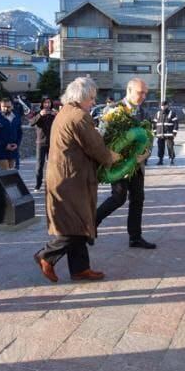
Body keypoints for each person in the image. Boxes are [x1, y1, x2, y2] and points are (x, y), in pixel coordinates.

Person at [34, 77, 122, 283]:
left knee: (79, 222)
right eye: (91, 98)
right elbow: (96, 147)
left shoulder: (65, 112)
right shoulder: (79, 116)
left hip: (66, 176)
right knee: (75, 224)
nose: (93, 102)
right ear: (82, 97)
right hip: (71, 179)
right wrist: (116, 158)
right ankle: (46, 255)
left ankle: (80, 268)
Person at [95, 78, 156, 249]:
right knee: (118, 197)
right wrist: (109, 155)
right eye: (140, 92)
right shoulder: (113, 110)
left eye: (145, 93)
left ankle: (135, 237)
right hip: (118, 164)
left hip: (137, 165)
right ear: (128, 91)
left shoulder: (144, 112)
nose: (143, 96)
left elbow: (149, 138)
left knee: (138, 199)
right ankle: (93, 221)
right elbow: (101, 137)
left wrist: (146, 154)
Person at [29, 97, 56, 191]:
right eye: (45, 103)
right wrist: (40, 115)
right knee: (39, 165)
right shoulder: (37, 113)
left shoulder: (54, 113)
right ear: (42, 104)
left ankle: (52, 184)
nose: (47, 105)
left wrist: (56, 115)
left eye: (49, 103)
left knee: (52, 165)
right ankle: (38, 185)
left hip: (52, 143)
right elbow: (31, 123)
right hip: (40, 143)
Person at [0, 97, 22, 171]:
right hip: (1, 150)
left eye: (8, 107)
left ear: (12, 106)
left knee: (11, 173)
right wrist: (5, 145)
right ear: (0, 107)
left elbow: (19, 132)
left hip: (13, 150)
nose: (5, 108)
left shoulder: (16, 117)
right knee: (5, 172)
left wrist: (17, 144)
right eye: (3, 107)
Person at [154, 100, 180, 165]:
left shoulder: (172, 113)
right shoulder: (158, 113)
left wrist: (174, 132)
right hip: (160, 134)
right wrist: (155, 132)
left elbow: (176, 123)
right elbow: (154, 123)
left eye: (164, 105)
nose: (163, 107)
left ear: (167, 105)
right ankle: (160, 160)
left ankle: (171, 159)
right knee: (160, 147)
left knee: (170, 147)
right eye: (162, 105)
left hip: (169, 134)